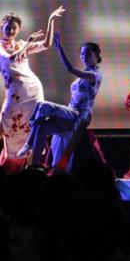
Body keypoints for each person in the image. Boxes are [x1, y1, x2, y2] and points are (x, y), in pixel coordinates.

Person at [0, 8, 65, 167]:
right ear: (2, 26)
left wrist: (50, 20)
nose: (11, 31)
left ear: (19, 30)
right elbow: (10, 59)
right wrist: (27, 44)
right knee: (0, 129)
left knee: (32, 130)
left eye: (14, 28)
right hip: (15, 93)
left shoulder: (22, 44)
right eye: (8, 27)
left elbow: (46, 44)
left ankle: (30, 169)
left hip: (33, 90)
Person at [19, 35, 102, 171]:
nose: (84, 57)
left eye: (88, 54)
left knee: (42, 105)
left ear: (97, 56)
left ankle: (28, 143)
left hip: (78, 117)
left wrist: (59, 48)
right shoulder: (84, 75)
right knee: (41, 127)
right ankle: (34, 166)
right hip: (70, 113)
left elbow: (71, 70)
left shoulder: (95, 75)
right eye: (82, 54)